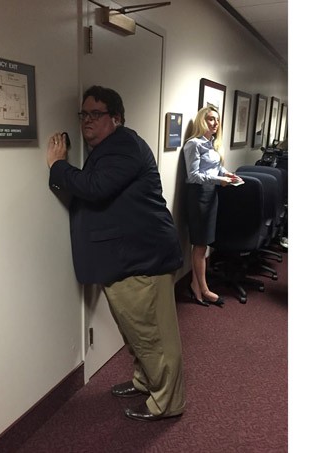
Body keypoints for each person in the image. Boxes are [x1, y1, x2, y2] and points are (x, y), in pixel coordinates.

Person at [46, 85, 185, 422]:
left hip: (142, 260)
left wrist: (57, 166)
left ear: (117, 118)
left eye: (96, 114)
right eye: (84, 114)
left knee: (153, 335)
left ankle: (167, 403)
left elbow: (95, 189)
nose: (87, 121)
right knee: (136, 331)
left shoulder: (123, 146)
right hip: (129, 258)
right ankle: (145, 382)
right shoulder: (110, 147)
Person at [182, 105, 242, 307]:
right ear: (201, 120)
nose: (215, 123)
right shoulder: (194, 144)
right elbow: (193, 176)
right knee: (200, 244)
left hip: (211, 195)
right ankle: (204, 289)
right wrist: (219, 180)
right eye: (210, 119)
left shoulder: (212, 144)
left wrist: (227, 174)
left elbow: (216, 167)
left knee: (204, 243)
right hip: (198, 196)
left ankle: (195, 284)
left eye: (217, 120)